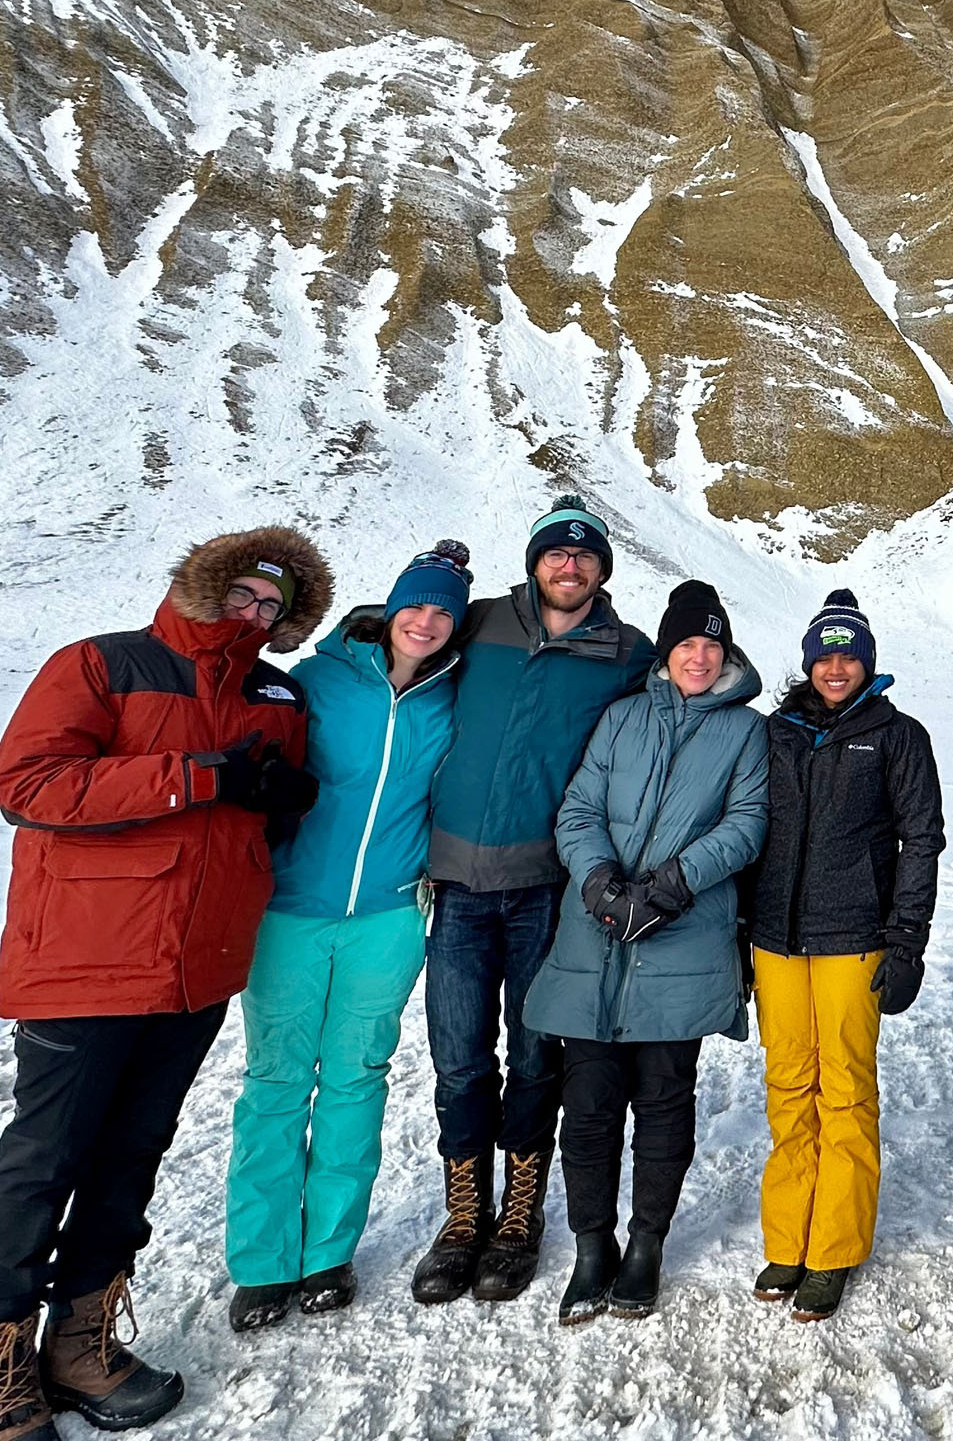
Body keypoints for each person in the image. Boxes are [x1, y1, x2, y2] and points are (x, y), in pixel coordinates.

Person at [0, 528, 332, 1441]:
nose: (255, 615)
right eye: (244, 596)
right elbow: (30, 784)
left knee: (132, 1152)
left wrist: (279, 802)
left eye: (273, 607)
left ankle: (80, 1343)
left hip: (198, 965)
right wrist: (198, 776)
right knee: (45, 1157)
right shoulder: (102, 664)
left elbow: (257, 814)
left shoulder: (275, 695)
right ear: (207, 587)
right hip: (86, 955)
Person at [224, 540, 473, 1333]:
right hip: (290, 911)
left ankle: (328, 1253)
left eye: (443, 612)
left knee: (356, 1081)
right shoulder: (317, 680)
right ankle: (262, 1262)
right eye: (416, 605)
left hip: (389, 918)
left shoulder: (452, 696)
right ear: (390, 609)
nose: (426, 622)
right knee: (275, 1083)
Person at [412, 495, 655, 1305]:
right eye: (557, 552)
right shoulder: (479, 623)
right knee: (458, 1060)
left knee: (533, 1057)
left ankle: (519, 1216)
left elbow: (686, 704)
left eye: (585, 556)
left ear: (602, 570)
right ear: (535, 561)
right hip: (457, 886)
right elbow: (399, 637)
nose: (570, 566)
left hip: (546, 890)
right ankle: (462, 1217)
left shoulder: (625, 651)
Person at [525, 579, 769, 1323]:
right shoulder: (623, 716)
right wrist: (599, 881)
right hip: (595, 935)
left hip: (683, 934)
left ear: (727, 654)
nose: (699, 657)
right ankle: (591, 1245)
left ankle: (646, 1246)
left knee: (664, 1101)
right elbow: (579, 809)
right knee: (588, 1105)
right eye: (686, 643)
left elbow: (747, 823)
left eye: (711, 644)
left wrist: (673, 883)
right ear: (666, 652)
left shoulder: (746, 731)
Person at [746, 589, 945, 1324]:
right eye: (825, 657)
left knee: (847, 1093)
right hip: (776, 940)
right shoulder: (776, 733)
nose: (836, 669)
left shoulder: (898, 736)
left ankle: (833, 1249)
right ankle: (787, 1240)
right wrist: (739, 933)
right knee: (787, 1086)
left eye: (849, 656)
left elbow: (922, 840)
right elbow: (749, 831)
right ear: (808, 663)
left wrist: (907, 941)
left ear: (867, 663)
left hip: (854, 939)